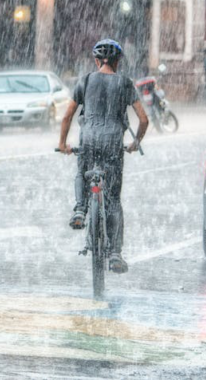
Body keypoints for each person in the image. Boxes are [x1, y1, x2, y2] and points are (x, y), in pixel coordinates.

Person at [57, 39, 149, 274]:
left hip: (88, 141)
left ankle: (80, 209)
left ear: (97, 61)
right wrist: (135, 142)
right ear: (117, 62)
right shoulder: (125, 83)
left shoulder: (86, 80)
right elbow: (144, 119)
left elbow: (67, 116)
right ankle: (115, 253)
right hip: (112, 145)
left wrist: (62, 143)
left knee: (82, 171)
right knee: (113, 201)